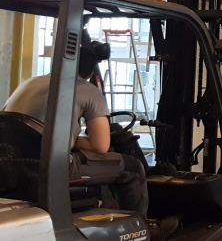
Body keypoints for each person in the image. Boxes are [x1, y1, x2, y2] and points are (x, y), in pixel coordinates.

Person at [3, 31, 174, 237]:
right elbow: (101, 146)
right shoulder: (87, 89)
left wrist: (70, 139)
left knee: (96, 164)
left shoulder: (29, 82)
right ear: (91, 73)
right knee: (131, 168)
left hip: (9, 164)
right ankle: (142, 230)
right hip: (49, 166)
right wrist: (74, 140)